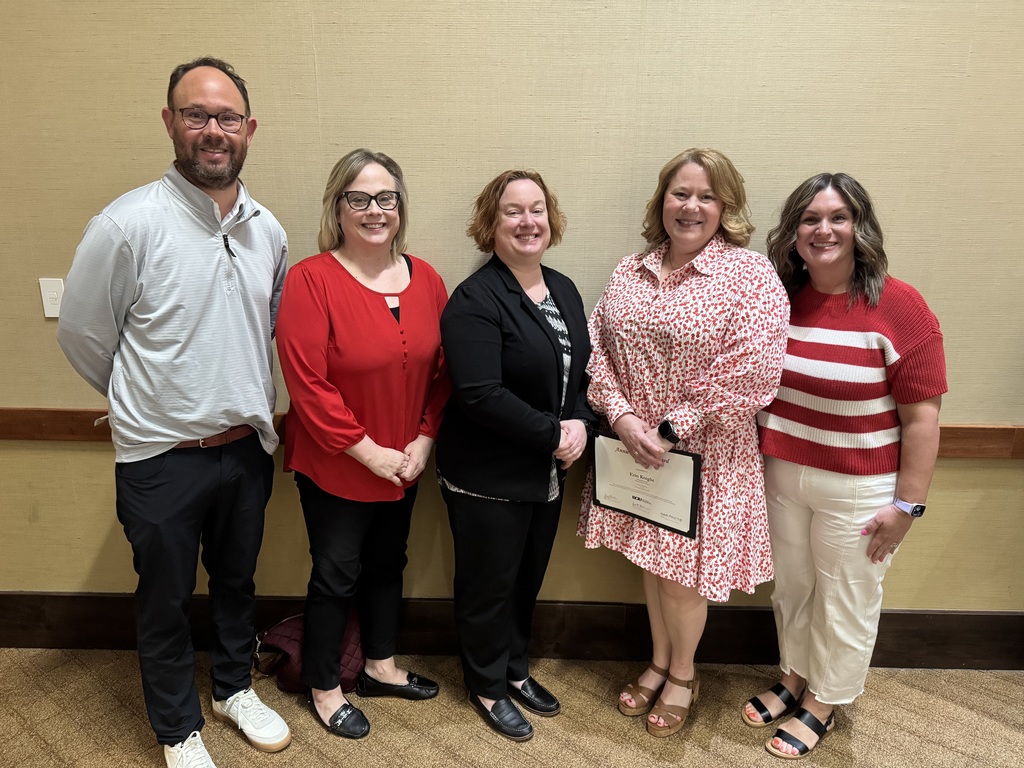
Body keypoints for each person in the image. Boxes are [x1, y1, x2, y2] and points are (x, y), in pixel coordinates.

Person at [57, 58, 290, 768]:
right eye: (196, 115)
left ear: (249, 130)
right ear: (170, 123)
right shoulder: (127, 225)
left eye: (226, 118)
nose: (212, 131)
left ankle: (230, 688)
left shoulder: (268, 231)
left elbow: (269, 330)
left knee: (237, 582)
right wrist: (144, 402)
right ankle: (176, 727)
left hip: (245, 448)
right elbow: (84, 336)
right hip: (159, 457)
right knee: (162, 600)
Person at [579, 148, 790, 738]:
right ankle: (657, 659)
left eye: (705, 196)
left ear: (726, 206)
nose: (690, 206)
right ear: (661, 201)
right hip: (633, 447)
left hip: (706, 455)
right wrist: (622, 419)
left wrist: (673, 429)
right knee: (650, 565)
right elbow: (597, 349)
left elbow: (755, 368)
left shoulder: (750, 276)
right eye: (679, 193)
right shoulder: (631, 269)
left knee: (681, 575)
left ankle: (683, 675)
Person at [746, 173, 947, 760]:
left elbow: (922, 421)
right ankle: (795, 676)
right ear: (793, 232)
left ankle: (825, 701)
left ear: (861, 228)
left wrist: (908, 506)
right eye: (810, 218)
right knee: (796, 588)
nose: (823, 230)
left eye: (838, 217)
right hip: (782, 473)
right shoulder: (779, 299)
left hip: (860, 488)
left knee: (847, 595)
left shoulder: (900, 306)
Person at [275, 149, 449, 741]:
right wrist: (368, 451)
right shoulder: (311, 279)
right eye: (359, 199)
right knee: (336, 573)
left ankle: (380, 665)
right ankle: (325, 686)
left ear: (400, 207)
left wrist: (424, 439)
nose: (374, 210)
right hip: (336, 464)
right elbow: (307, 385)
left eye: (386, 198)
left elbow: (443, 372)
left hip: (405, 462)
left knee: (387, 564)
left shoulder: (426, 279)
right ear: (338, 208)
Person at [436, 170, 597, 742]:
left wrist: (580, 419)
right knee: (488, 585)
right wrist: (554, 434)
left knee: (525, 579)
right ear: (490, 224)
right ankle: (485, 684)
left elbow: (582, 370)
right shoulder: (475, 300)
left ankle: (514, 669)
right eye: (512, 211)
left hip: (544, 472)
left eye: (537, 209)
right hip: (488, 476)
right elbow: (480, 395)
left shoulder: (564, 288)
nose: (528, 222)